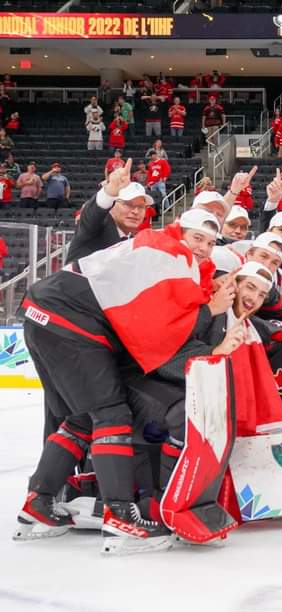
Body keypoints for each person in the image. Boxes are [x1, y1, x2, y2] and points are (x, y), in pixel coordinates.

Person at [13, 208, 222, 552]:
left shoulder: (152, 245)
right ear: (180, 231)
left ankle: (39, 504)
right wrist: (210, 309)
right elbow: (159, 332)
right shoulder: (172, 255)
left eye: (211, 243)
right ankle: (122, 517)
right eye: (197, 238)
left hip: (44, 309)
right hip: (72, 319)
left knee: (83, 418)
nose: (203, 247)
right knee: (112, 416)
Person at [66, 160, 150, 263]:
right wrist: (110, 191)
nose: (136, 211)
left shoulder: (134, 242)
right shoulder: (98, 226)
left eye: (141, 207)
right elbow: (92, 215)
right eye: (128, 204)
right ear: (112, 205)